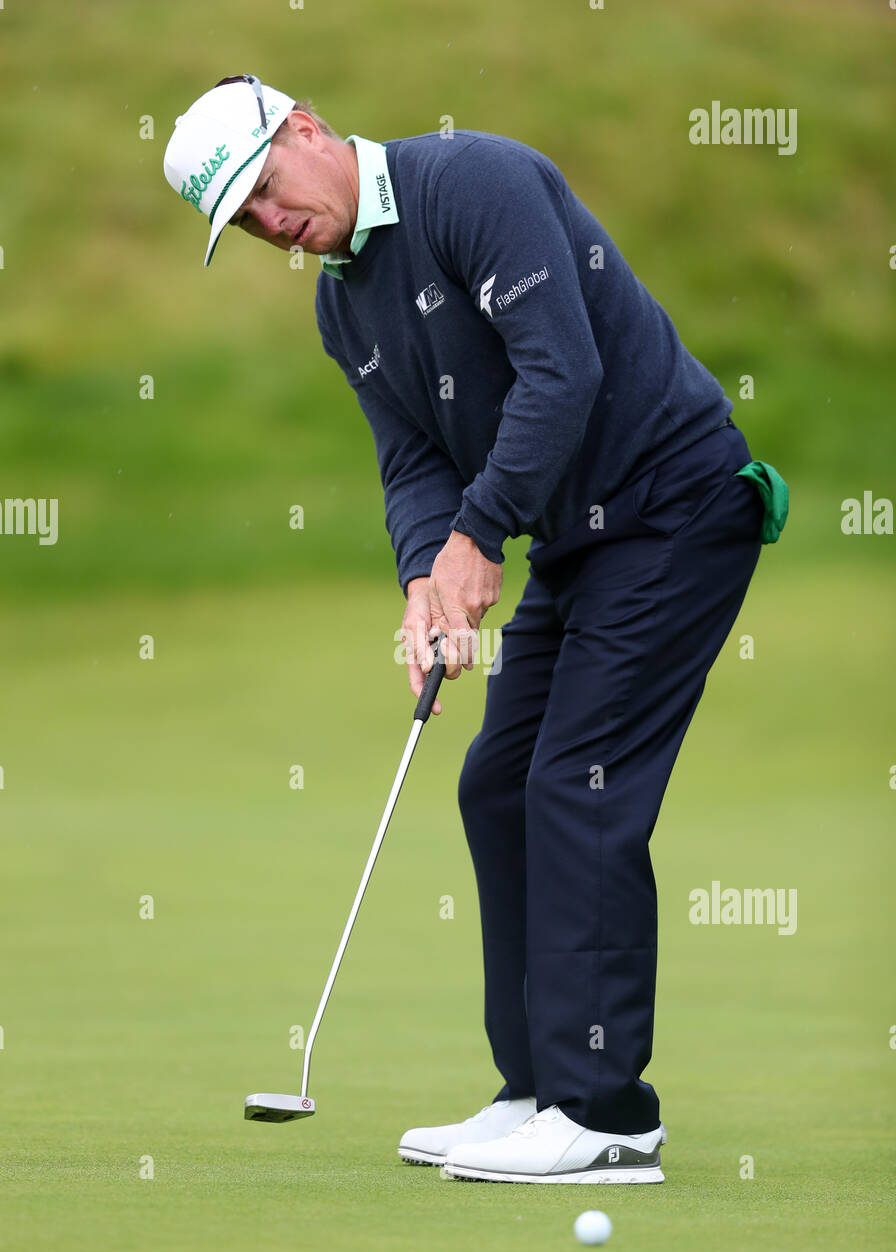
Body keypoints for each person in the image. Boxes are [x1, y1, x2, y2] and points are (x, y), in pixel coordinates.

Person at [164, 75, 787, 1185]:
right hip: (580, 541)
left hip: (677, 504)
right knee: (496, 784)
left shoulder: (470, 181)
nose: (270, 225)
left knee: (575, 782)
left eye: (264, 189)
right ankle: (537, 1090)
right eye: (243, 222)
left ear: (304, 131)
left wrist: (480, 534)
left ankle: (605, 1116)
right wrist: (423, 577)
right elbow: (412, 464)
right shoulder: (340, 305)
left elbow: (564, 369)